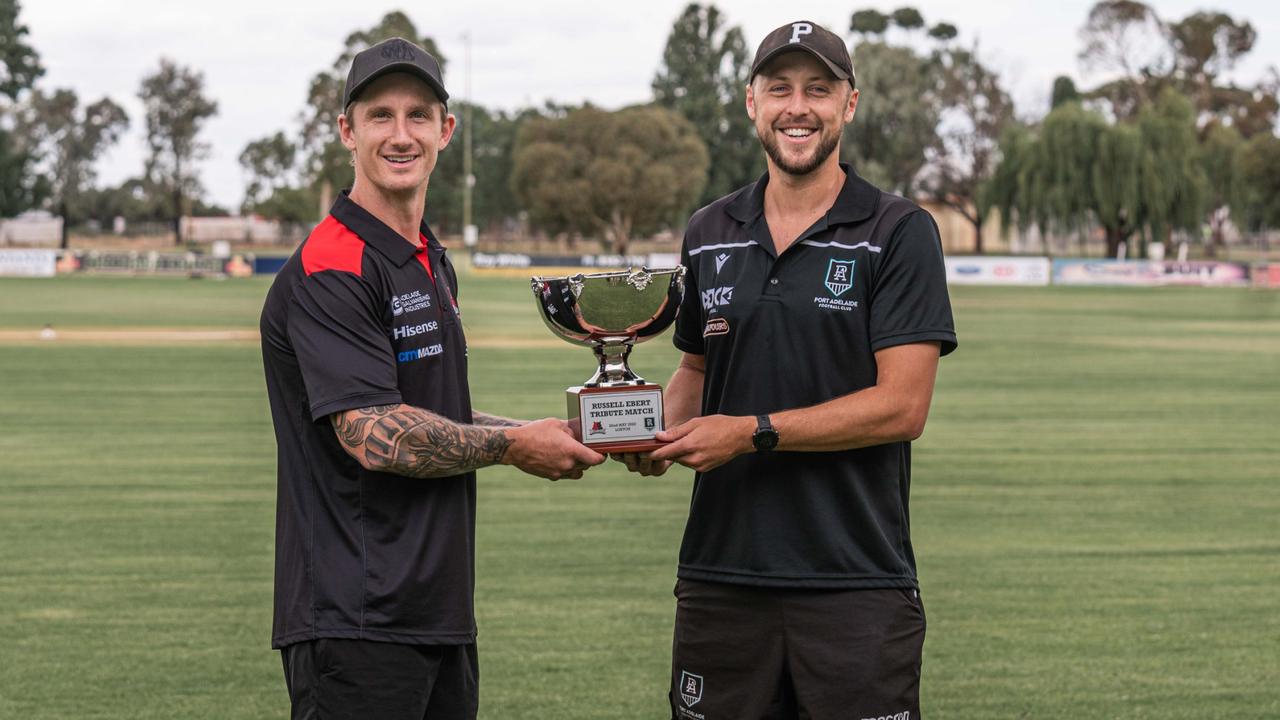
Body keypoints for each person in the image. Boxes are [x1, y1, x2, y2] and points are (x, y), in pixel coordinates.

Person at [615, 20, 958, 720]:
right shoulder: (708, 232)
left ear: (849, 104)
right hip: (720, 577)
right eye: (780, 89)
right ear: (751, 102)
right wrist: (649, 435)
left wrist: (751, 433)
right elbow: (696, 369)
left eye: (818, 90)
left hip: (854, 580)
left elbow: (902, 407)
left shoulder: (896, 231)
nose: (797, 107)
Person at [259, 37, 604, 719]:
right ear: (346, 132)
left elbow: (431, 412)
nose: (400, 133)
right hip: (357, 619)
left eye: (419, 115)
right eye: (379, 115)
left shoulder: (425, 259)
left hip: (434, 611)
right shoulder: (334, 262)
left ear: (446, 132)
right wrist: (513, 449)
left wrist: (547, 430)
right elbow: (373, 433)